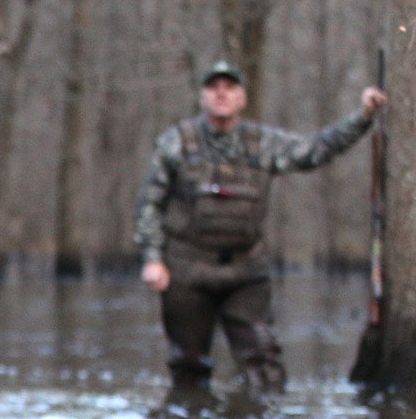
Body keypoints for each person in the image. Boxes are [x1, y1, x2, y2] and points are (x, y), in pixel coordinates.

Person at [137, 61, 388, 393]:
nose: (221, 94)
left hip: (245, 271)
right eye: (214, 88)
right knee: (188, 365)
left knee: (265, 363)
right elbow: (149, 204)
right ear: (202, 97)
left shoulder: (263, 143)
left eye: (230, 87)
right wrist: (153, 258)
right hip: (186, 270)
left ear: (243, 97)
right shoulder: (176, 143)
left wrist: (363, 118)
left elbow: (314, 151)